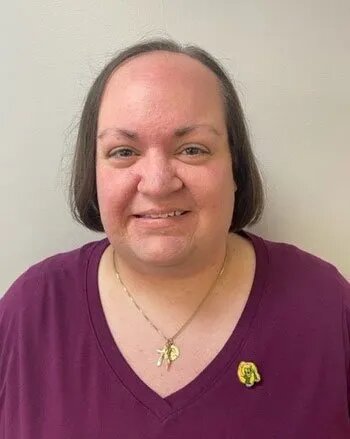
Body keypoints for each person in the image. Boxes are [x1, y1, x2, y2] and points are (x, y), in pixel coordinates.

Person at [0, 39, 349, 439]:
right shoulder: (30, 313)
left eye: (192, 149)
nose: (159, 183)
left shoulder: (324, 305)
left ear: (234, 165)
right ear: (92, 171)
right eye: (123, 152)